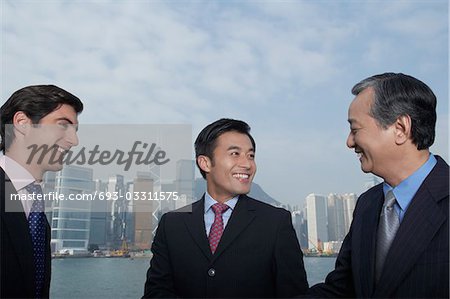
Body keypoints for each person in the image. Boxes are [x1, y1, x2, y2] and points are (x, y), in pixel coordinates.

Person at [307, 73, 449, 298]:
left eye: (355, 130)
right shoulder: (367, 204)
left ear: (400, 128)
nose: (349, 142)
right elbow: (342, 289)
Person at [143, 118, 308, 298]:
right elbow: (156, 292)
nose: (247, 164)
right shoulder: (171, 224)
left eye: (251, 155)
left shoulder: (275, 222)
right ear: (205, 163)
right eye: (235, 154)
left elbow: (294, 294)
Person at [0, 85, 83, 298]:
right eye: (63, 125)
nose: (74, 141)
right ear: (22, 123)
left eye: (75, 130)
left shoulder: (37, 211)